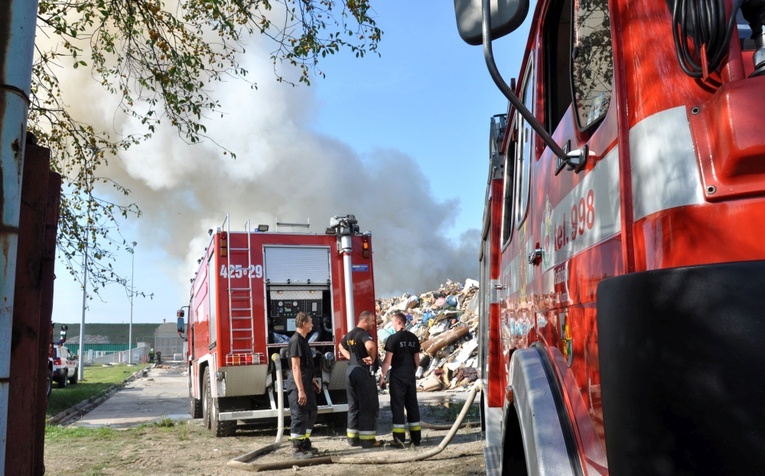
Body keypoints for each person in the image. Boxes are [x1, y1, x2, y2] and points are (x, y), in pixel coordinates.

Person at [339, 310, 383, 448]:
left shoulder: (350, 334)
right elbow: (370, 346)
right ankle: (368, 440)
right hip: (363, 372)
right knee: (368, 406)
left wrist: (351, 358)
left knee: (354, 406)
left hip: (350, 371)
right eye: (372, 320)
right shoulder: (364, 334)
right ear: (365, 320)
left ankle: (353, 439)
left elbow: (340, 346)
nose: (373, 323)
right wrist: (373, 358)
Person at [380, 311, 422, 447]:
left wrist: (382, 376)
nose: (392, 325)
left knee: (397, 406)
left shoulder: (393, 339)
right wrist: (411, 372)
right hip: (410, 374)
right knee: (412, 405)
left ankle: (399, 439)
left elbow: (387, 361)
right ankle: (416, 439)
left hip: (397, 375)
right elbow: (417, 361)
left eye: (392, 322)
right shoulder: (414, 338)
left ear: (399, 322)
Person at [286, 312, 322, 459]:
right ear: (303, 324)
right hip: (298, 384)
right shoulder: (296, 341)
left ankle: (304, 444)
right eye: (310, 323)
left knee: (311, 412)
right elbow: (296, 368)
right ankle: (296, 448)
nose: (312, 325)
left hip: (306, 382)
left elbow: (305, 365)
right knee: (299, 415)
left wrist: (312, 381)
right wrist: (300, 390)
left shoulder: (303, 340)